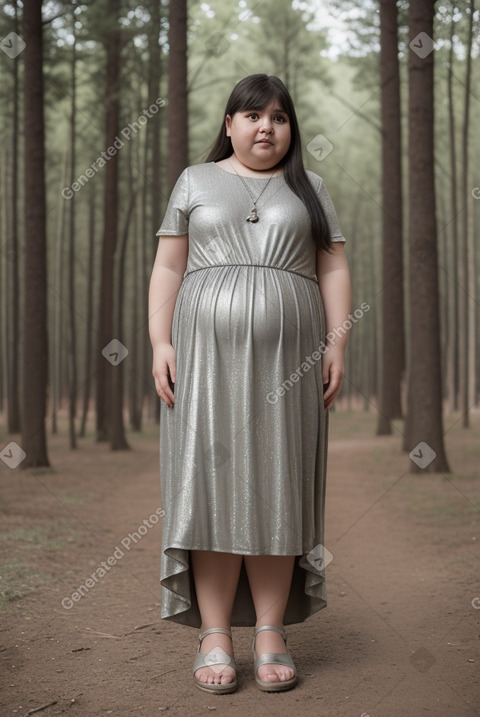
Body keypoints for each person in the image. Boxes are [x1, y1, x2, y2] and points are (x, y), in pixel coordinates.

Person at [148, 74, 352, 694]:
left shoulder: (309, 188)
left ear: (290, 128)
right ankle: (215, 634)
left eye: (280, 118)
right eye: (253, 115)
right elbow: (168, 264)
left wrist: (338, 341)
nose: (267, 127)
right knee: (209, 488)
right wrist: (160, 342)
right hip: (203, 362)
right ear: (230, 124)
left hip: (289, 366)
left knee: (276, 485)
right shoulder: (194, 180)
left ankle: (269, 632)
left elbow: (333, 264)